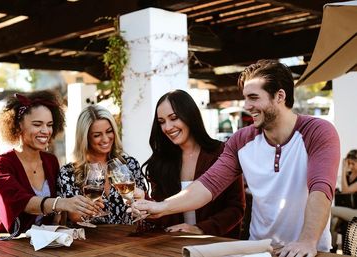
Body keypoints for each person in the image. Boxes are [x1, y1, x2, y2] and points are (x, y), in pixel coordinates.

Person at [133, 59, 340, 257]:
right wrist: (161, 207)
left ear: (280, 96)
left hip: (309, 250)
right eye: (245, 98)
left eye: (254, 97)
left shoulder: (318, 131)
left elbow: (321, 189)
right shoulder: (241, 140)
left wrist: (307, 240)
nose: (246, 106)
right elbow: (207, 185)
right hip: (259, 250)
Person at [0, 90, 100, 235]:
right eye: (37, 124)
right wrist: (62, 203)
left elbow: (57, 216)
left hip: (45, 245)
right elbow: (21, 201)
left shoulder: (50, 161)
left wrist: (82, 207)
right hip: (8, 245)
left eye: (50, 124)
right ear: (18, 125)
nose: (46, 131)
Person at [142, 90, 245, 237]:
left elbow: (236, 208)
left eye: (174, 118)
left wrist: (201, 229)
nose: (167, 127)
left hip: (216, 245)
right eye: (162, 122)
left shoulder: (222, 153)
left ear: (189, 116)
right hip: (174, 247)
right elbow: (162, 214)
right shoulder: (160, 163)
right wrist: (145, 204)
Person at [57, 105, 147, 224]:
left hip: (129, 238)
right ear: (85, 138)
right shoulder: (68, 173)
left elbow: (143, 208)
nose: (105, 139)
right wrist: (87, 210)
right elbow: (73, 218)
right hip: (91, 241)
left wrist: (141, 204)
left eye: (109, 131)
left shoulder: (129, 164)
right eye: (97, 135)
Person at [331, 149, 357, 251]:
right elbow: (341, 191)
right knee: (333, 221)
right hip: (347, 210)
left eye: (353, 163)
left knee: (330, 211)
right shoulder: (349, 175)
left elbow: (346, 190)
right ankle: (332, 249)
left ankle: (331, 247)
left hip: (355, 212)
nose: (350, 166)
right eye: (348, 163)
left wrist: (343, 168)